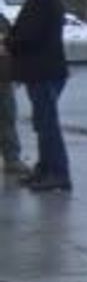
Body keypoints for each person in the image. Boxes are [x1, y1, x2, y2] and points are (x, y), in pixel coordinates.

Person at [6, 0, 70, 192]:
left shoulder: (43, 0)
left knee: (47, 123)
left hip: (45, 72)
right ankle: (44, 169)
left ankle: (58, 174)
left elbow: (29, 37)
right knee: (43, 123)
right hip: (43, 71)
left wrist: (7, 42)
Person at [0, 14, 27, 176]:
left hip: (4, 78)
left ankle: (12, 158)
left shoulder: (2, 20)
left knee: (8, 117)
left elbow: (14, 45)